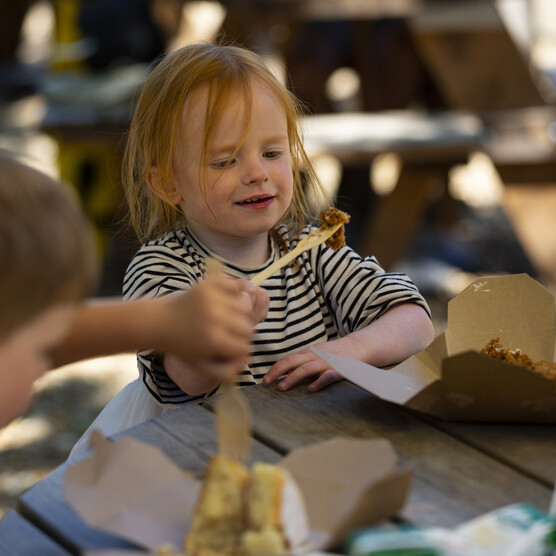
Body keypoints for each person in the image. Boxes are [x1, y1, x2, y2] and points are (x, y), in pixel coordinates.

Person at [69, 41, 434, 457]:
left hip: (314, 445)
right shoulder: (161, 268)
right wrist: (217, 330)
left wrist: (348, 352)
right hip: (205, 458)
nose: (257, 173)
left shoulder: (309, 249)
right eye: (224, 161)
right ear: (168, 183)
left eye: (272, 153)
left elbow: (414, 321)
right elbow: (187, 382)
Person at [0, 151, 267, 431]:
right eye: (44, 353)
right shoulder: (160, 263)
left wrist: (169, 320)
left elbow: (55, 329)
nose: (39, 380)